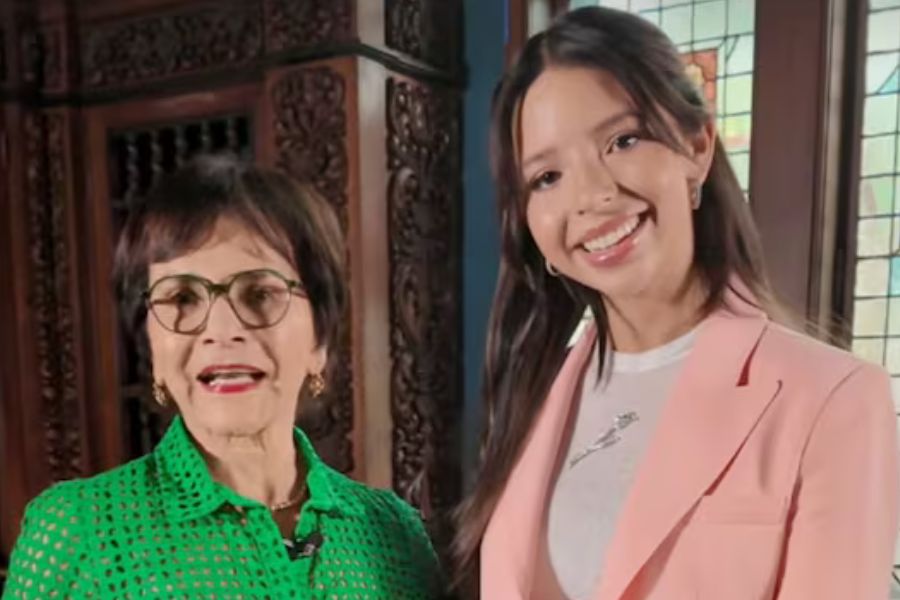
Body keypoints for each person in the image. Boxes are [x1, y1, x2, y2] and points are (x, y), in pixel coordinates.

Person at [454, 7, 899, 600]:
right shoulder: (529, 398)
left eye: (622, 141)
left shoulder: (834, 400)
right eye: (547, 177)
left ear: (696, 147)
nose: (592, 195)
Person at [3, 155, 441, 598]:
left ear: (320, 340)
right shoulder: (77, 533)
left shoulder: (395, 535)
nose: (221, 330)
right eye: (182, 298)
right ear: (151, 346)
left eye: (260, 294)